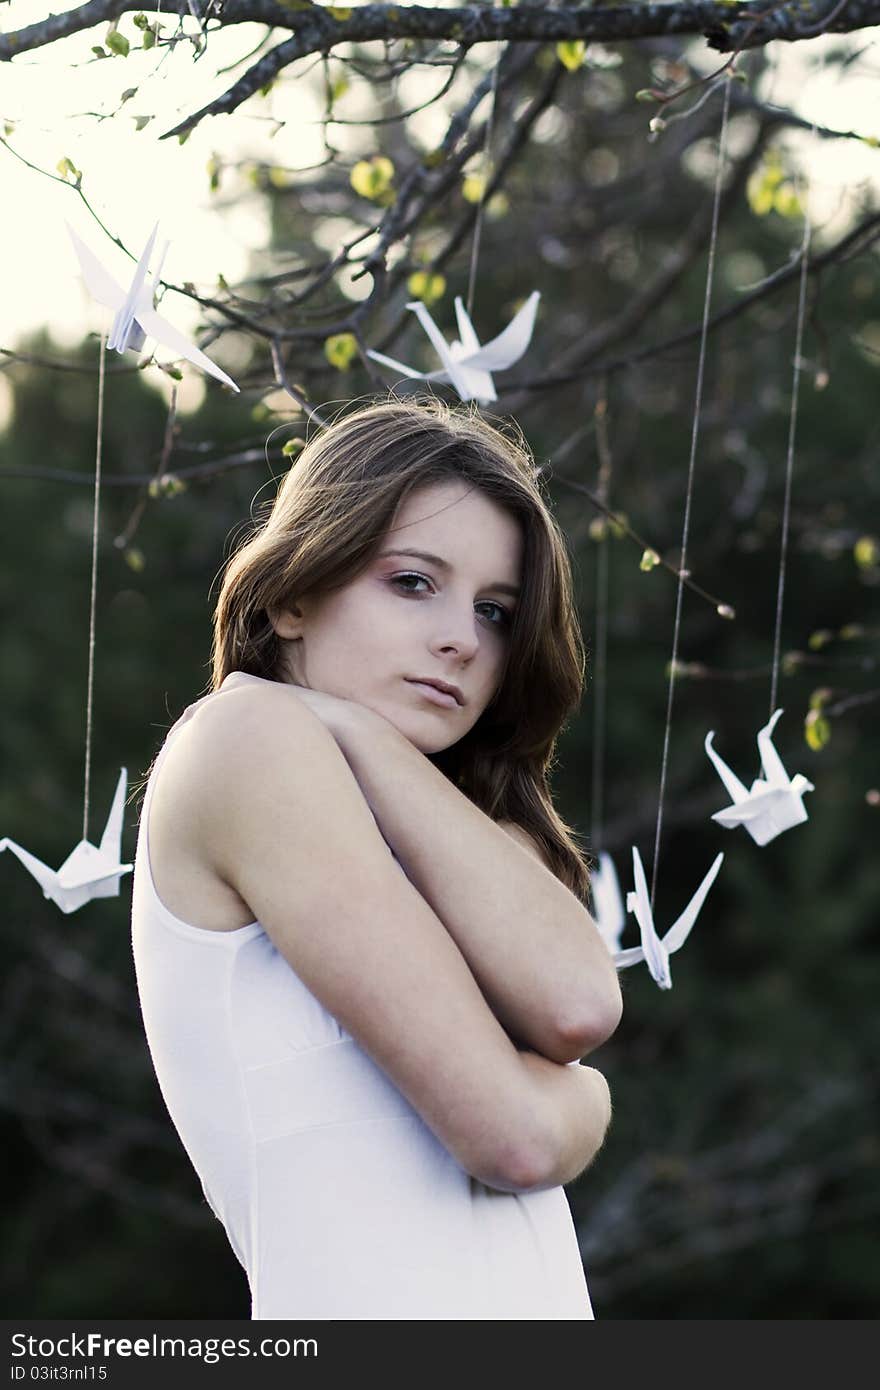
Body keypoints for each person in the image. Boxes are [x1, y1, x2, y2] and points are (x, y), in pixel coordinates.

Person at [130, 395, 623, 1320]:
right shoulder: (245, 741)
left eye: (496, 611)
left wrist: (357, 729)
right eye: (411, 582)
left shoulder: (461, 827)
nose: (462, 639)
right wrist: (585, 1106)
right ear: (290, 595)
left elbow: (578, 1003)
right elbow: (514, 1137)